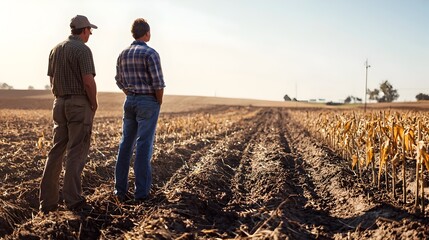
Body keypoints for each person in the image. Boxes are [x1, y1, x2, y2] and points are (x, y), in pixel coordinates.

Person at [39, 15, 98, 213]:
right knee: (76, 150)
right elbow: (88, 81)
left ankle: (47, 202)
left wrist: (60, 97)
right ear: (83, 30)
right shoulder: (83, 50)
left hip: (59, 102)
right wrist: (93, 102)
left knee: (56, 150)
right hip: (78, 103)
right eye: (90, 30)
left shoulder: (55, 49)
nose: (90, 33)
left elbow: (51, 79)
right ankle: (73, 200)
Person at [114, 18, 166, 202]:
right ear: (147, 33)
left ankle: (119, 191)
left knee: (125, 145)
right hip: (147, 102)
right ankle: (141, 193)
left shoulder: (123, 54)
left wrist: (129, 92)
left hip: (129, 102)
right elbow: (158, 83)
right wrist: (157, 101)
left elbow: (118, 80)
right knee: (144, 145)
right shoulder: (151, 54)